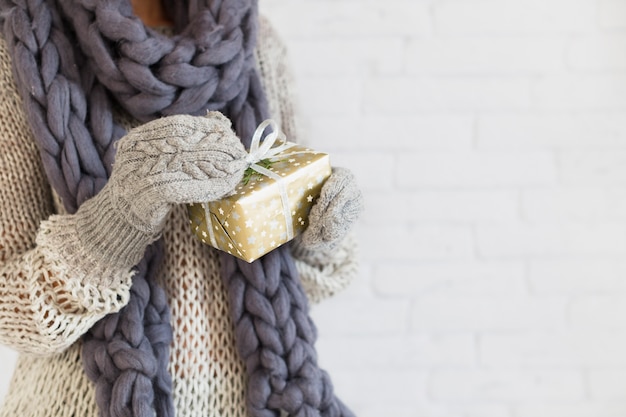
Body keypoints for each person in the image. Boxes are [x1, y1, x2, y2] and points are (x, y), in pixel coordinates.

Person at [0, 0, 363, 416]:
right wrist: (116, 221)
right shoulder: (21, 50)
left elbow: (296, 275)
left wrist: (320, 232)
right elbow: (9, 313)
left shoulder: (256, 43)